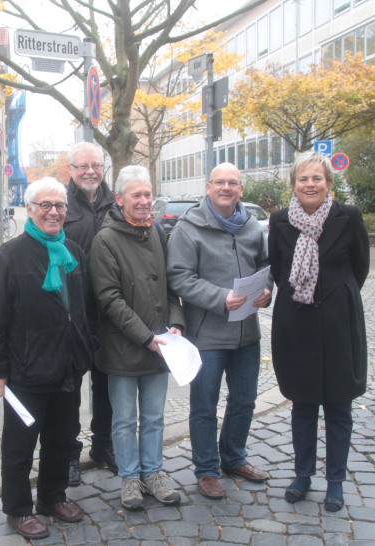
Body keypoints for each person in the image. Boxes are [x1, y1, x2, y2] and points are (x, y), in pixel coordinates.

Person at [0, 178, 97, 539]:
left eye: (59, 206)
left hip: (67, 366)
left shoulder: (73, 250)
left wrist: (86, 346)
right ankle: (17, 509)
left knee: (62, 438)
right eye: (45, 205)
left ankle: (51, 497)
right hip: (26, 370)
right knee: (20, 446)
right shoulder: (10, 255)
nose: (53, 212)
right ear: (29, 209)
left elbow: (84, 307)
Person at [268, 151, 369, 512]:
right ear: (294, 184)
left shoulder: (349, 217)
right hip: (297, 323)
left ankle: (336, 481)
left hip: (340, 325)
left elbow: (360, 268)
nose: (310, 184)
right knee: (304, 405)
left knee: (339, 407)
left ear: (329, 183)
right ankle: (302, 474)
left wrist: (335, 294)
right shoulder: (279, 221)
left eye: (317, 179)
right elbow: (280, 272)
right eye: (303, 179)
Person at [166, 162, 272, 500]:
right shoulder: (189, 228)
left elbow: (266, 267)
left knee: (244, 401)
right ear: (208, 187)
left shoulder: (252, 226)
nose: (226, 188)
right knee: (204, 406)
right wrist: (219, 298)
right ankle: (207, 469)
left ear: (241, 189)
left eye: (233, 183)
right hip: (207, 336)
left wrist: (268, 290)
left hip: (247, 334)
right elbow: (179, 276)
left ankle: (234, 456)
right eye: (219, 182)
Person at [89, 165, 184, 510]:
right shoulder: (106, 240)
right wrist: (146, 338)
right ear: (119, 199)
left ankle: (153, 473)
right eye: (137, 196)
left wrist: (176, 323)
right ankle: (130, 477)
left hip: (160, 347)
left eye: (148, 195)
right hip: (123, 349)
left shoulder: (158, 233)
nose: (145, 201)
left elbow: (171, 287)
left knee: (156, 417)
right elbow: (109, 300)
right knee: (126, 419)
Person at [64, 141, 118, 485]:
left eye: (95, 165)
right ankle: (68, 452)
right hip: (71, 312)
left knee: (108, 383)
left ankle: (104, 445)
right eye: (82, 166)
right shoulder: (59, 203)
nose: (89, 171)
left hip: (110, 311)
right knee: (69, 387)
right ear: (70, 169)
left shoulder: (117, 203)